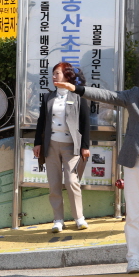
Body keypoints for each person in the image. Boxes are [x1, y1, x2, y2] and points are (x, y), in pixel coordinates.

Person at [55, 53, 139, 273]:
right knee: (133, 214)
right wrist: (76, 89)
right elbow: (108, 95)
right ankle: (133, 259)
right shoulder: (135, 94)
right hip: (132, 161)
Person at [33, 62, 91, 232]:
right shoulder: (48, 97)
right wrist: (37, 143)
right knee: (54, 183)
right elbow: (41, 121)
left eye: (57, 73)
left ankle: (79, 218)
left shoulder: (77, 96)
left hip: (71, 146)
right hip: (51, 145)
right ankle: (58, 219)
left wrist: (85, 146)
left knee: (72, 181)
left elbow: (85, 122)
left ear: (67, 76)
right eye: (53, 73)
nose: (53, 76)